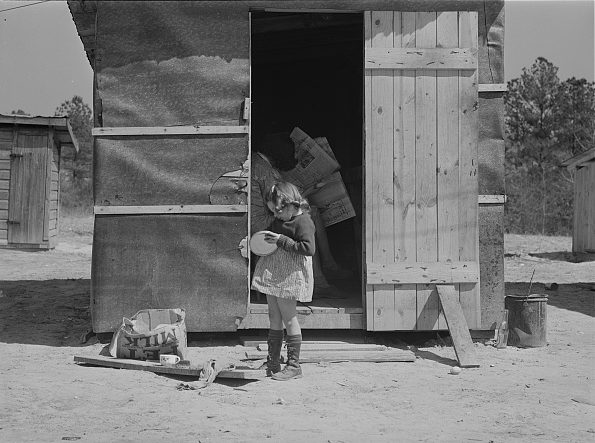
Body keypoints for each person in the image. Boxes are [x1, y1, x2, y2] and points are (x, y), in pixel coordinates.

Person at [251, 133, 348, 296]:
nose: (295, 156)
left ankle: (326, 269)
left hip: (269, 214)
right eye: (292, 152)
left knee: (310, 212)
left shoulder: (260, 162)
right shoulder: (262, 169)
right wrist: (308, 192)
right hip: (263, 222)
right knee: (308, 216)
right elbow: (278, 204)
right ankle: (320, 278)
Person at [251, 181, 315, 381]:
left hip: (290, 275)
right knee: (273, 316)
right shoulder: (279, 219)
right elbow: (269, 238)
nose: (276, 217)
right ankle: (273, 362)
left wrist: (281, 240)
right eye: (273, 213)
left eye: (278, 212)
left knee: (289, 318)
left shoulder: (304, 222)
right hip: (273, 272)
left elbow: (308, 248)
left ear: (290, 205)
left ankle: (294, 365)